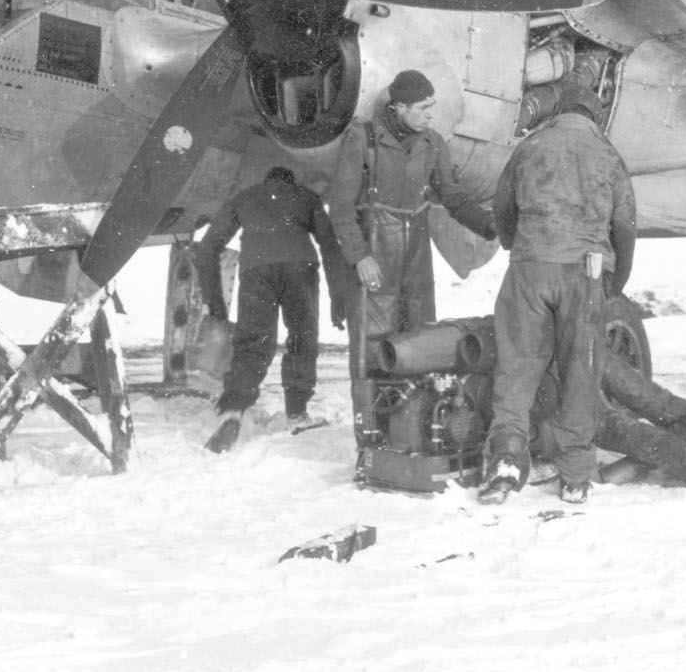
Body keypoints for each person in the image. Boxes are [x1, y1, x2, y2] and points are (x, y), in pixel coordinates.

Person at [479, 84, 636, 506]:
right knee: (580, 376)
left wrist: (520, 248)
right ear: (594, 116)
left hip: (530, 269)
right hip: (584, 275)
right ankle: (575, 479)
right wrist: (614, 282)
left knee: (515, 372)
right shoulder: (608, 155)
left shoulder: (531, 146)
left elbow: (502, 208)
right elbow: (624, 227)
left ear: (560, 111)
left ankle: (506, 464)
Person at [329, 69, 497, 451]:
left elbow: (452, 197)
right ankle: (370, 445)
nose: (429, 115)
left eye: (431, 107)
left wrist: (489, 226)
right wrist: (359, 258)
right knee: (372, 350)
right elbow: (340, 207)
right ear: (399, 107)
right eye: (423, 108)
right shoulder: (363, 139)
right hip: (376, 254)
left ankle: (415, 436)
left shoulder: (432, 142)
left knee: (420, 344)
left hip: (416, 259)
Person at [195, 166, 351, 453]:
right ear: (291, 181)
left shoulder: (245, 197)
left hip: (256, 269)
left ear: (266, 181)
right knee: (302, 339)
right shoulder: (306, 197)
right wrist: (338, 300)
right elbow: (330, 246)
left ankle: (233, 409)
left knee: (253, 343)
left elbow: (207, 248)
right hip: (300, 268)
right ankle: (297, 413)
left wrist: (216, 305)